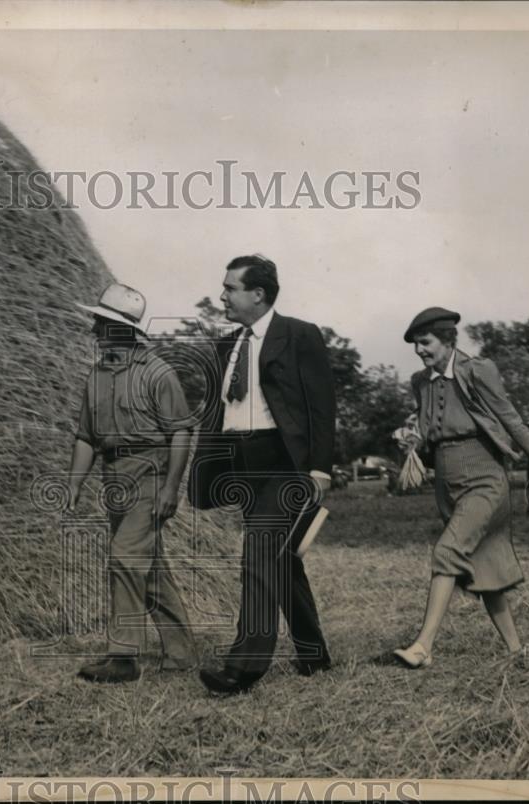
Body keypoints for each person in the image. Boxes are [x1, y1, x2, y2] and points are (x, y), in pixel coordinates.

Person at [188, 255, 335, 695]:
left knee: (258, 554)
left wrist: (320, 468)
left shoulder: (299, 336)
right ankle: (313, 654)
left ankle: (244, 664)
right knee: (278, 558)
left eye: (230, 288)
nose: (222, 296)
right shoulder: (225, 346)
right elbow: (217, 413)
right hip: (240, 464)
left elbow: (322, 406)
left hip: (283, 462)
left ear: (259, 294)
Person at [393, 307, 529, 668]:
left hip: (486, 479)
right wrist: (410, 439)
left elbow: (512, 422)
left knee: (447, 552)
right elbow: (427, 433)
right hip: (446, 482)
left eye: (425, 343)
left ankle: (423, 646)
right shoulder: (419, 382)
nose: (419, 351)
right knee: (484, 568)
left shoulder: (478, 370)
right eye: (416, 345)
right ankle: (517, 652)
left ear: (447, 339)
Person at [66, 283, 198, 683]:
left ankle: (123, 657)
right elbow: (86, 436)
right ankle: (182, 653)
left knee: (124, 557)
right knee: (149, 567)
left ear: (121, 328)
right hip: (114, 479)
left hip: (149, 473)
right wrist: (74, 483)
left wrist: (171, 488)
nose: (93, 329)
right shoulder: (96, 376)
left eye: (101, 322)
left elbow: (180, 433)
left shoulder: (158, 374)